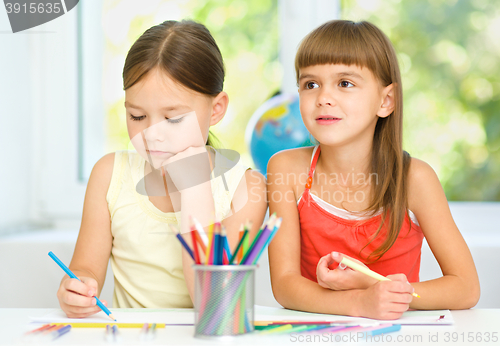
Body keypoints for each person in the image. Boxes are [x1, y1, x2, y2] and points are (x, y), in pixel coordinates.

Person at [267, 20, 480, 320]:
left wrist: (376, 288)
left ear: (386, 100)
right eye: (310, 84)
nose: (323, 98)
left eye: (344, 83)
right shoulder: (285, 170)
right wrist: (359, 302)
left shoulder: (414, 179)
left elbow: (465, 288)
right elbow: (285, 286)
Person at [56, 20, 267, 318]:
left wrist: (195, 190)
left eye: (174, 118)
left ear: (216, 109)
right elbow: (84, 269)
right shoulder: (109, 174)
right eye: (138, 116)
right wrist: (76, 289)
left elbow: (216, 306)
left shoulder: (246, 188)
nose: (152, 133)